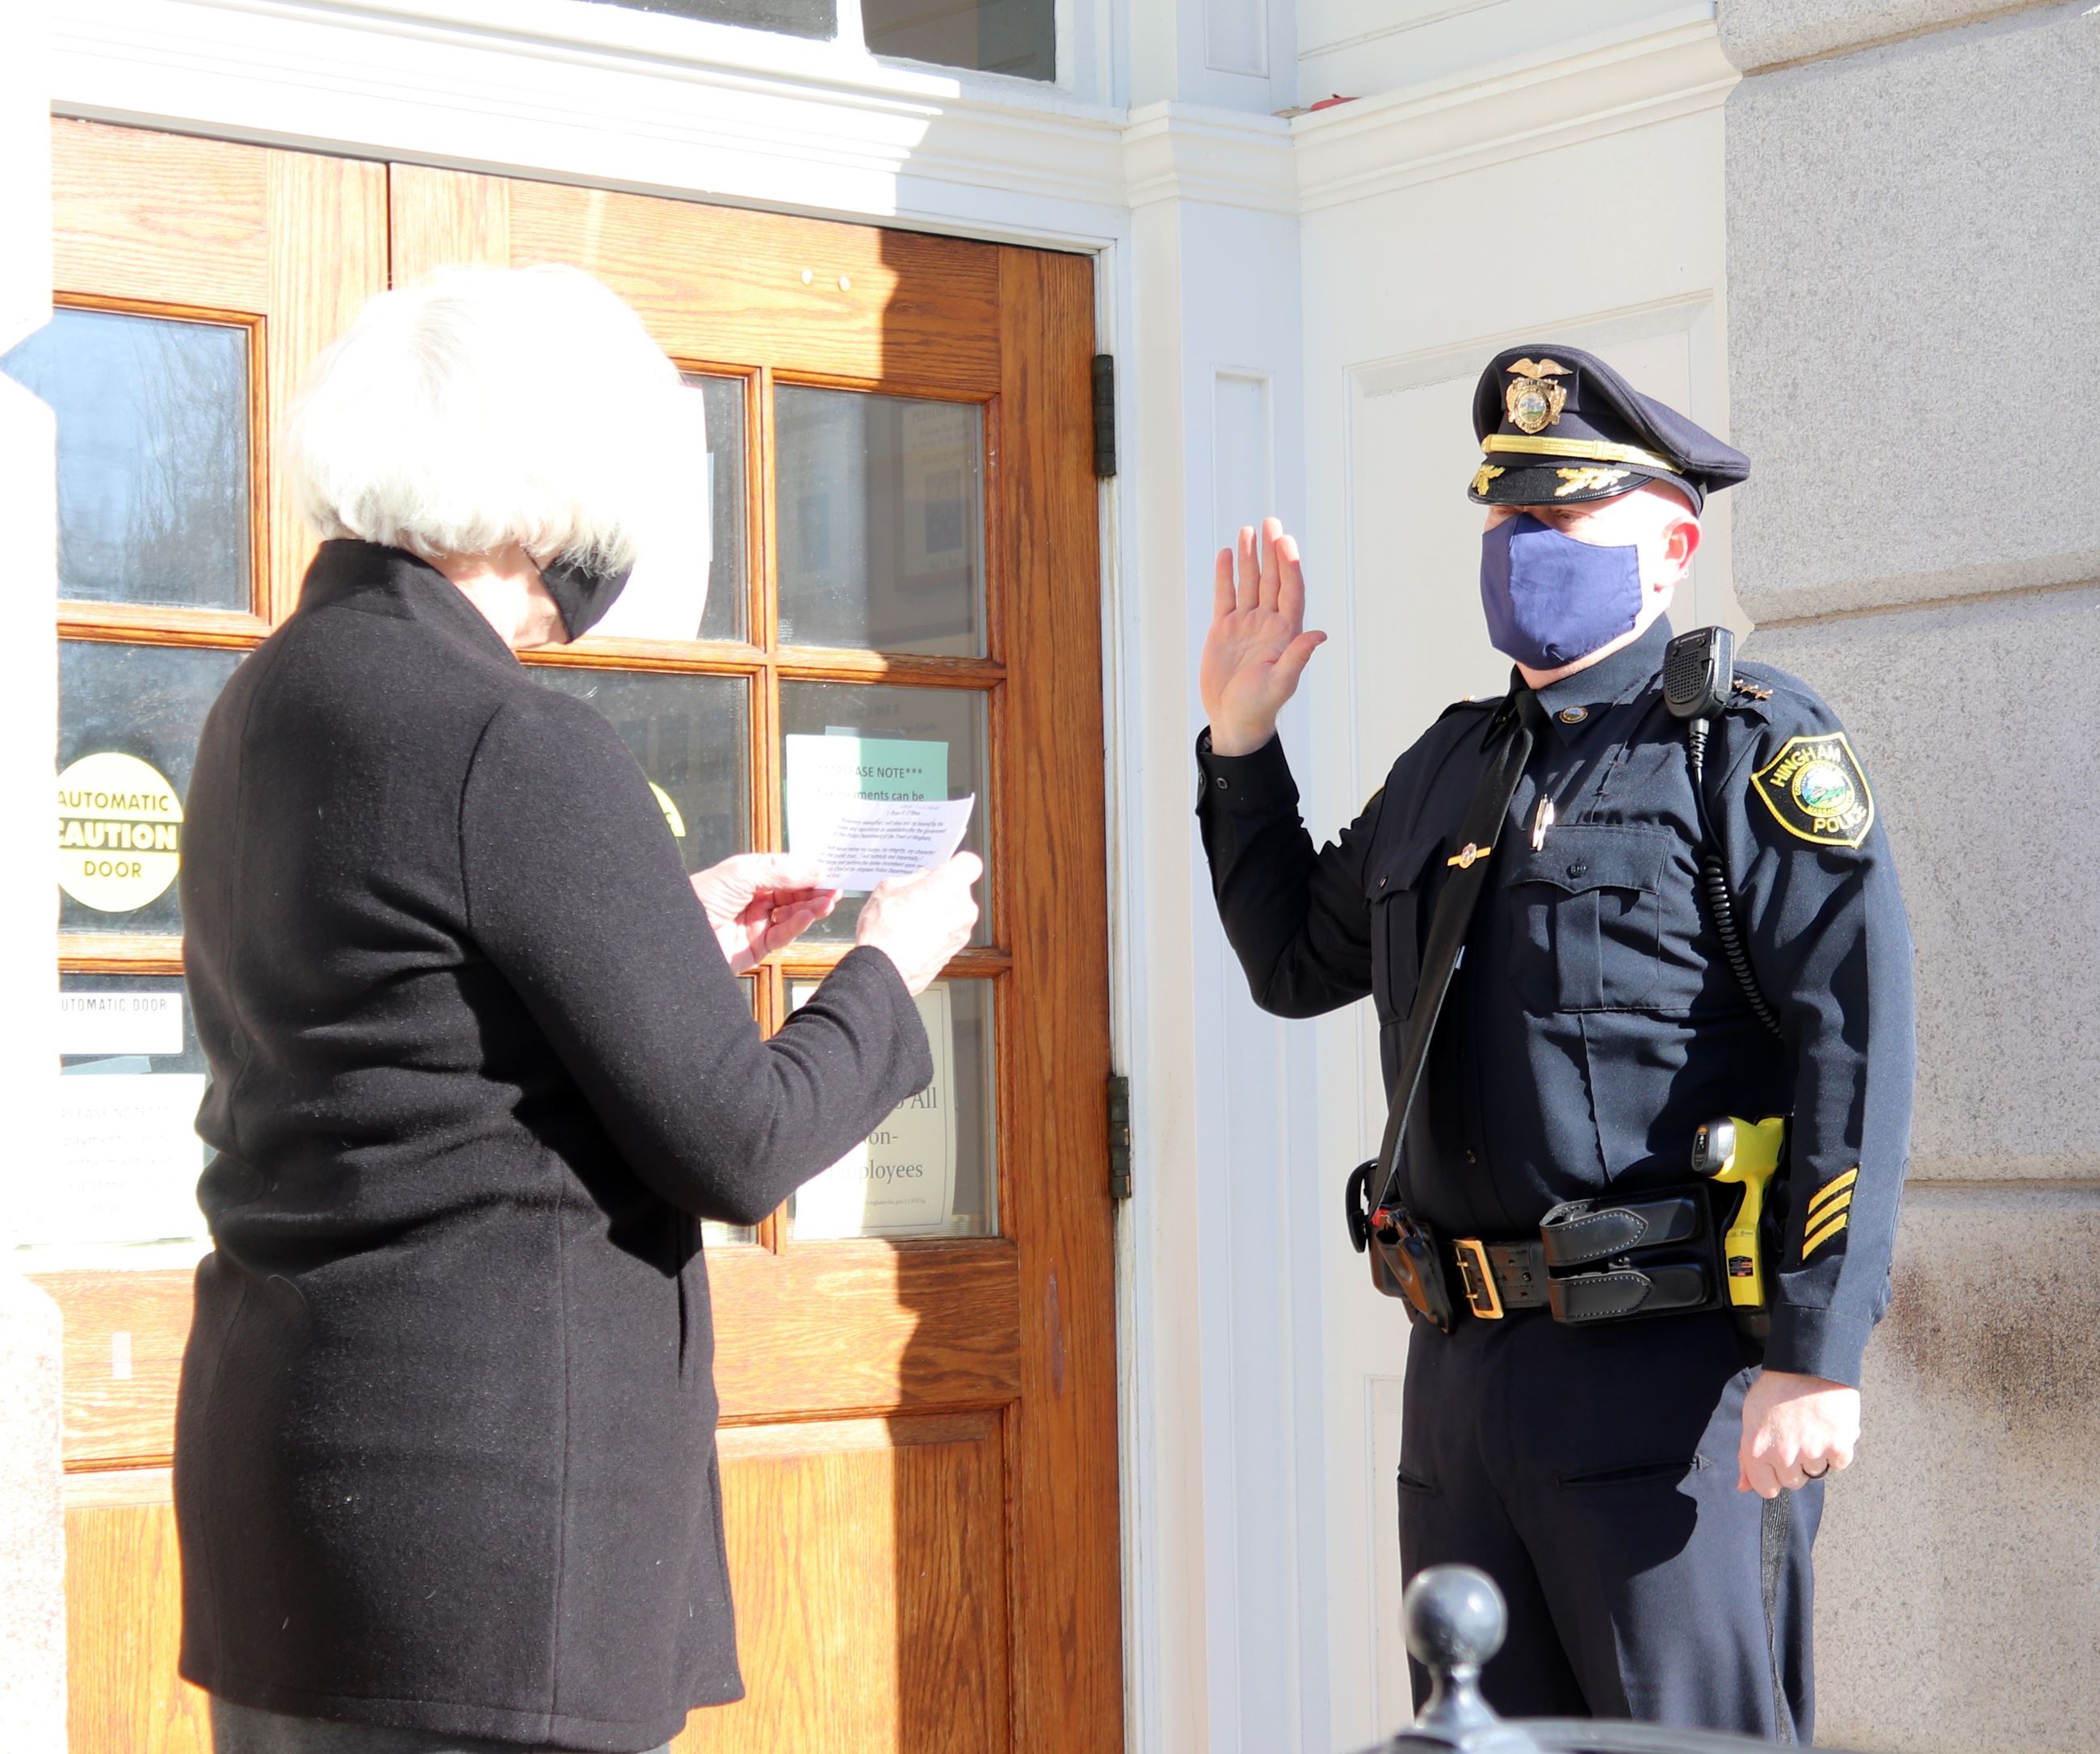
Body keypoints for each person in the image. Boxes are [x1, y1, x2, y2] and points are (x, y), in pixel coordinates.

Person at [173, 265, 982, 1754]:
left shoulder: (263, 702)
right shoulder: (510, 739)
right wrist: (890, 965)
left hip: (285, 1514)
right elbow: (739, 1147)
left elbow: (403, 1024)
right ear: (546, 490)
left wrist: (660, 939)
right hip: (486, 1545)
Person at [1194, 346, 1915, 1739]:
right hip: (1460, 1386)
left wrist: (1818, 1350)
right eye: (1504, 521)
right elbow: (1294, 961)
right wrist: (1242, 747)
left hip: (1669, 1388)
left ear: (1672, 549)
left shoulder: (1747, 751)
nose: (1521, 549)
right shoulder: (1450, 765)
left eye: (1561, 522)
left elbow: (1856, 1045)